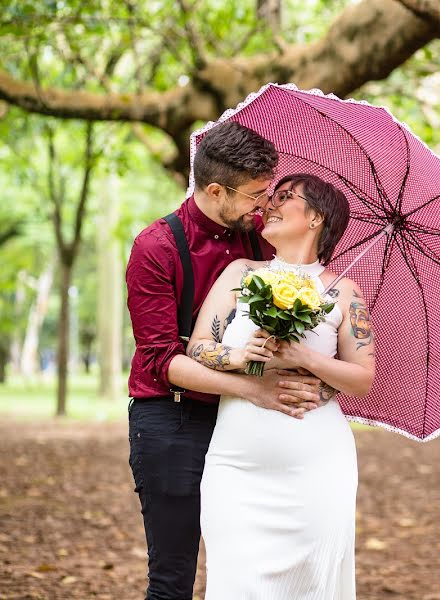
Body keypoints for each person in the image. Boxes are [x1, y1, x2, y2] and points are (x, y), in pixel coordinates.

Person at [125, 123, 326, 600]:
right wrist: (253, 386)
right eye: (257, 195)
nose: (266, 206)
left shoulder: (263, 238)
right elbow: (160, 361)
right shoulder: (155, 248)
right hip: (173, 419)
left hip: (248, 426)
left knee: (249, 571)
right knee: (173, 578)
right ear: (215, 190)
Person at [185, 173, 375, 598]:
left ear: (316, 219)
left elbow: (363, 378)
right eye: (272, 195)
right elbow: (198, 347)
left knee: (308, 587)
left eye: (287, 197)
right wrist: (237, 358)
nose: (270, 203)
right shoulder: (241, 273)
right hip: (236, 465)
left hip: (317, 467)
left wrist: (303, 356)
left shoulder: (343, 292)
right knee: (234, 582)